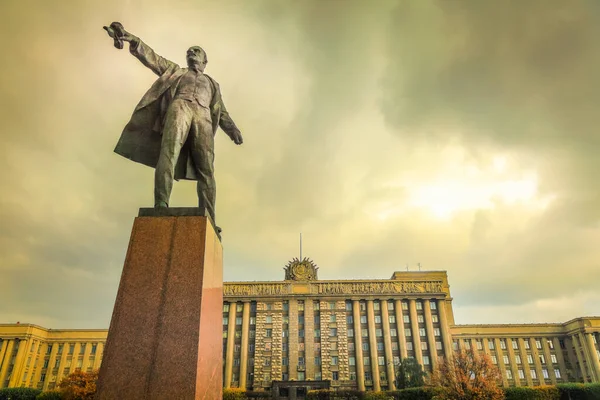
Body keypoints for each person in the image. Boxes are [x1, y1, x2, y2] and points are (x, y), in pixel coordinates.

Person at [104, 22, 243, 226]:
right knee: (168, 153)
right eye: (189, 51)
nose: (191, 52)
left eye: (196, 51)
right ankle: (161, 203)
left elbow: (221, 111)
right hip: (179, 108)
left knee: (207, 170)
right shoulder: (176, 71)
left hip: (203, 117)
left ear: (205, 60)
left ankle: (210, 220)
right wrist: (132, 39)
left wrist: (233, 130)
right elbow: (153, 58)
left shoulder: (213, 84)